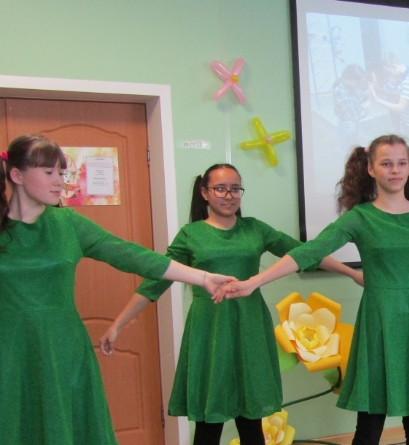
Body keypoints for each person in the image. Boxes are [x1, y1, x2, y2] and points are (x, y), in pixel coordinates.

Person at [215, 135, 409, 445]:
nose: (395, 170)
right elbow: (309, 252)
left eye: (402, 163)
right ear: (370, 169)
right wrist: (254, 281)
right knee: (370, 421)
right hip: (381, 321)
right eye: (386, 163)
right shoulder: (360, 218)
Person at [100, 163, 361, 445]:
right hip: (209, 330)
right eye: (220, 189)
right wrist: (118, 324)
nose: (229, 196)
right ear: (204, 192)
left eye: (235, 189)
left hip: (249, 326)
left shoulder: (255, 229)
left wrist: (352, 273)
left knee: (251, 418)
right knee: (209, 421)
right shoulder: (191, 234)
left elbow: (305, 253)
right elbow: (156, 280)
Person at [0, 135, 235, 445]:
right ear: (17, 175)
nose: (59, 181)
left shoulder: (67, 223)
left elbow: (130, 255)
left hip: (63, 347)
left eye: (62, 172)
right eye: (49, 172)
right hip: (10, 350)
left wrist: (201, 277)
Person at [370, 52, 409, 149]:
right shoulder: (406, 76)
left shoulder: (408, 81)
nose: (389, 74)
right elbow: (397, 96)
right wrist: (378, 88)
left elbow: (400, 108)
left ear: (393, 66)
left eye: (389, 72)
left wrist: (377, 100)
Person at [332, 64, 371, 153]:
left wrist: (367, 94)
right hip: (347, 126)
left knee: (354, 144)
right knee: (351, 150)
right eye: (358, 82)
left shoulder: (347, 86)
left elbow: (354, 101)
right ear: (351, 80)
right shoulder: (340, 90)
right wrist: (368, 104)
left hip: (350, 125)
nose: (359, 85)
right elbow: (355, 116)